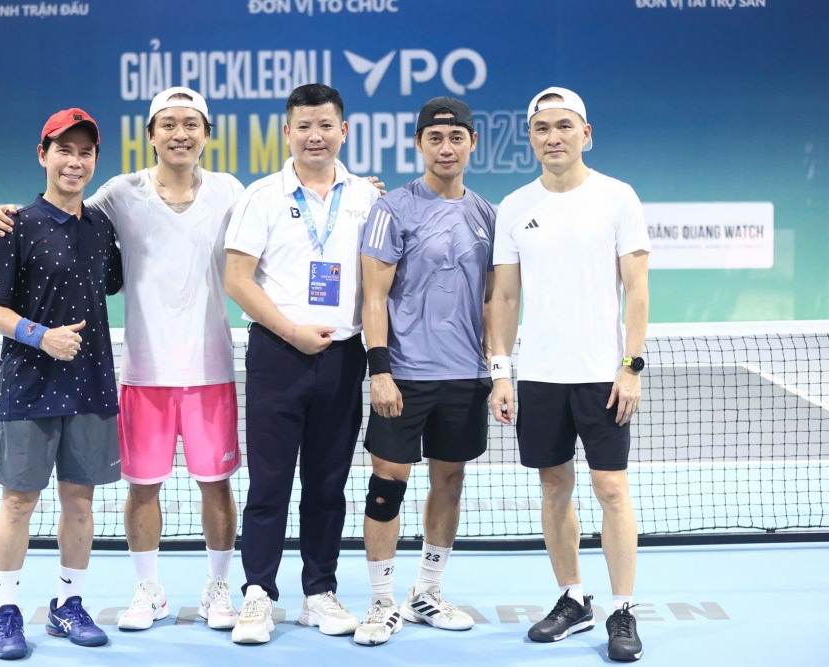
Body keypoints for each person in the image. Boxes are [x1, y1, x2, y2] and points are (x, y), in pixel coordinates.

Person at [0, 87, 246, 632]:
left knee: (215, 486)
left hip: (209, 370)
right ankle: (146, 590)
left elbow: (283, 213)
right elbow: (55, 209)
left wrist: (353, 189)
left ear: (206, 134)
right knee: (138, 489)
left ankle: (217, 587)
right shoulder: (119, 195)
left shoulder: (229, 191)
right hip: (140, 374)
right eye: (168, 124)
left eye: (191, 124)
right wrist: (3, 214)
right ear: (150, 135)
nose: (179, 134)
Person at [487, 87, 650, 662]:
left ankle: (622, 609)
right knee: (554, 487)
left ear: (586, 133)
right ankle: (573, 599)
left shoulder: (617, 197)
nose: (552, 137)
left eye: (563, 126)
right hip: (538, 377)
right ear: (530, 138)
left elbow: (637, 291)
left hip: (603, 376)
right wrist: (501, 373)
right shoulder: (513, 206)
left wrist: (630, 366)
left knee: (611, 489)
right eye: (542, 128)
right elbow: (505, 299)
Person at [223, 83, 381, 644]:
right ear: (287, 132)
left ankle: (319, 592)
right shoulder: (261, 196)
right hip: (277, 355)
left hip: (344, 359)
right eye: (304, 126)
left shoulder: (367, 198)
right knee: (268, 484)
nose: (316, 136)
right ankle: (257, 594)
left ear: (344, 131)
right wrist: (291, 331)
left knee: (328, 485)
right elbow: (237, 279)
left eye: (326, 125)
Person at [0, 108, 123, 659]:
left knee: (79, 503)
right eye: (64, 150)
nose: (74, 162)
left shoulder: (102, 228)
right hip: (31, 385)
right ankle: (8, 612)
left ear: (95, 161)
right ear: (43, 155)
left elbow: (114, 282)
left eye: (85, 153)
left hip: (92, 384)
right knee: (18, 503)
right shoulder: (15, 225)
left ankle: (68, 605)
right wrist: (41, 336)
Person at [354, 97, 496, 646]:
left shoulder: (487, 215)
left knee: (449, 482)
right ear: (418, 144)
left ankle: (427, 592)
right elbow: (374, 296)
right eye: (435, 138)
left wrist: (498, 370)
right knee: (386, 488)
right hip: (405, 374)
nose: (446, 148)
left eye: (456, 138)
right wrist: (380, 370)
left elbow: (494, 300)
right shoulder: (393, 209)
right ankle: (382, 600)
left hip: (465, 376)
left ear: (472, 143)